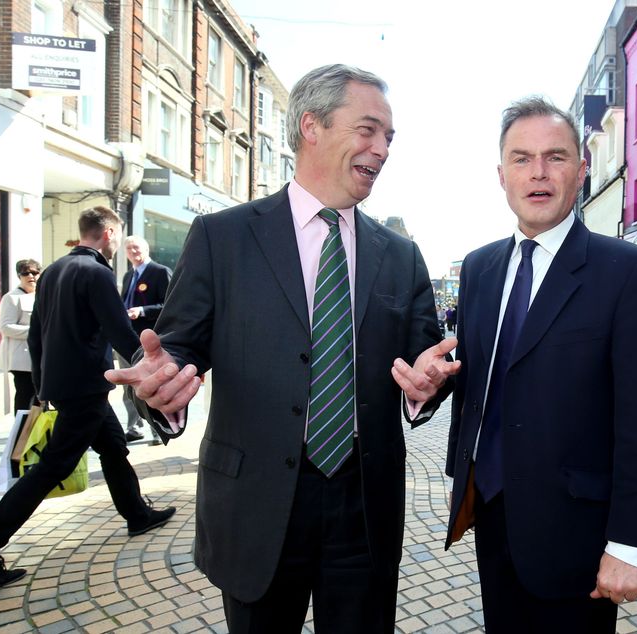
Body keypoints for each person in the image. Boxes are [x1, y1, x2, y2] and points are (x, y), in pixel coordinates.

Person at [106, 65, 459, 633]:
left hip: (364, 508)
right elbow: (174, 352)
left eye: (389, 137)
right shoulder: (223, 237)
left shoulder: (401, 254)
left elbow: (425, 363)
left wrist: (427, 387)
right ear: (312, 126)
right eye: (368, 130)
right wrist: (162, 390)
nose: (382, 148)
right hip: (256, 504)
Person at [444, 97, 637, 633]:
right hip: (494, 516)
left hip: (578, 534)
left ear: (582, 168)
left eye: (556, 156)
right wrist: (428, 390)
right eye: (521, 159)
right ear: (500, 174)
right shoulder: (479, 267)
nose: (539, 173)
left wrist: (632, 544)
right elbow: (484, 380)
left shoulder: (627, 272)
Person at [0, 207, 176, 587]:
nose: (118, 242)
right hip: (87, 385)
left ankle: (136, 513)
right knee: (50, 468)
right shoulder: (97, 272)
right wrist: (148, 370)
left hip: (68, 384)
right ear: (107, 233)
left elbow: (37, 333)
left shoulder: (53, 270)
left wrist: (42, 385)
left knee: (114, 447)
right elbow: (120, 331)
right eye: (118, 235)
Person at [118, 235, 172, 443]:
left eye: (137, 247)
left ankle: (157, 429)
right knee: (128, 385)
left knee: (150, 385)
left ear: (147, 249)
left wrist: (142, 311)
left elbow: (169, 305)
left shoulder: (159, 272)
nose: (134, 252)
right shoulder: (127, 276)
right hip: (128, 339)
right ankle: (134, 427)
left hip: (149, 340)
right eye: (129, 249)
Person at [0, 259, 41, 412]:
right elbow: (5, 326)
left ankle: (37, 433)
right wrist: (35, 331)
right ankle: (21, 432)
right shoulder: (11, 297)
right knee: (24, 395)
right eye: (26, 273)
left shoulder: (41, 295)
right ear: (19, 275)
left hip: (40, 356)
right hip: (21, 358)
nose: (31, 276)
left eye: (35, 272)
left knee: (40, 398)